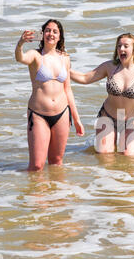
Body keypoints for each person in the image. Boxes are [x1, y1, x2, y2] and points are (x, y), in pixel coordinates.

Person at [15, 19, 84, 171]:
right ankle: (35, 193)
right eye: (47, 30)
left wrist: (77, 119)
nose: (50, 34)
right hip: (39, 114)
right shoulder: (35, 55)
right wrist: (20, 43)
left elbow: (68, 90)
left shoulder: (65, 58)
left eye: (55, 31)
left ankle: (56, 194)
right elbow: (20, 58)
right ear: (42, 34)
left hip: (62, 114)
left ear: (60, 37)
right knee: (36, 166)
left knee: (56, 163)